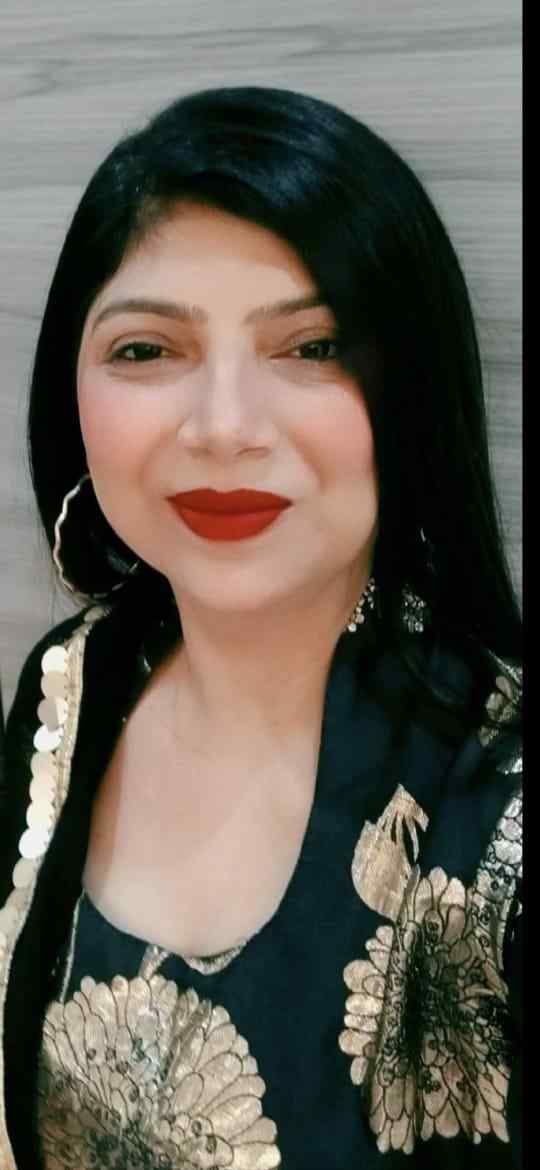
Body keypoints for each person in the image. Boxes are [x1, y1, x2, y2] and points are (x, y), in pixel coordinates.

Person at [0, 85, 522, 1169]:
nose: (224, 427)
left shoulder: (502, 798)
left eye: (314, 347)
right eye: (147, 350)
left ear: (411, 391)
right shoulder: (72, 681)